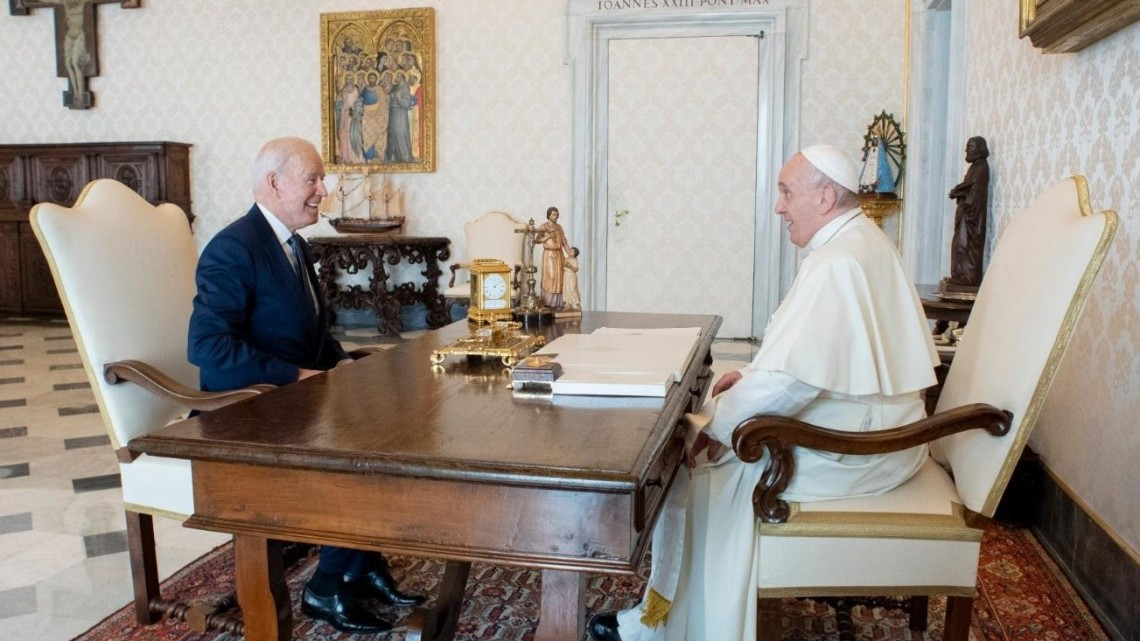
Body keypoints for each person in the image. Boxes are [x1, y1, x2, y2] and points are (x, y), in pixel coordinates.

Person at [588, 145, 939, 641]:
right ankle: (661, 615)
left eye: (785, 192)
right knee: (713, 423)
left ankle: (672, 628)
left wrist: (723, 430)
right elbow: (812, 357)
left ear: (823, 196)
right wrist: (751, 375)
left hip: (863, 450)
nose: (778, 207)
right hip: (876, 427)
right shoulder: (860, 241)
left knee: (704, 467)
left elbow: (797, 380)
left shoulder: (837, 261)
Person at [188, 137, 424, 634]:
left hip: (294, 402)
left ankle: (362, 566)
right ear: (274, 183)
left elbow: (312, 340)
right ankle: (326, 587)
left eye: (323, 179)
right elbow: (208, 349)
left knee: (391, 424)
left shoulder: (293, 244)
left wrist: (342, 365)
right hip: (244, 412)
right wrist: (297, 377)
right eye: (313, 178)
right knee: (357, 445)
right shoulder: (233, 248)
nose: (325, 190)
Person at [947, 136, 990, 287]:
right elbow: (968, 186)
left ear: (979, 150)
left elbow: (975, 192)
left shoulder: (982, 167)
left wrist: (958, 193)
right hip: (966, 214)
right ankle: (959, 275)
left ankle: (968, 277)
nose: (966, 150)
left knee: (967, 246)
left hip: (972, 216)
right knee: (959, 244)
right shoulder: (974, 167)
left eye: (970, 147)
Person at [534, 206, 568, 308]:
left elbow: (564, 242)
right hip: (549, 255)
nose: (556, 217)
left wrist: (570, 252)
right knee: (551, 277)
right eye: (553, 214)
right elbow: (537, 240)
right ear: (549, 215)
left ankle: (557, 303)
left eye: (557, 215)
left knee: (559, 277)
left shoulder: (559, 227)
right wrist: (548, 236)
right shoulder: (544, 226)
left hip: (559, 254)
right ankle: (548, 302)